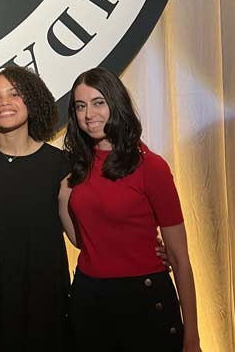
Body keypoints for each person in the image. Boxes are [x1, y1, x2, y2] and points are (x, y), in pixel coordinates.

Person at [62, 67, 202, 352]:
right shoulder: (74, 171)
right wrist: (63, 195)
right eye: (81, 106)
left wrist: (193, 337)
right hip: (89, 298)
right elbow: (83, 241)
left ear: (116, 104)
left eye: (99, 102)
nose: (89, 114)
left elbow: (179, 257)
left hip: (145, 299)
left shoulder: (151, 167)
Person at [0, 66, 72, 351]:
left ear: (33, 101)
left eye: (15, 94)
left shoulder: (60, 164)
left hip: (43, 297)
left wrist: (141, 244)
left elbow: (79, 235)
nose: (4, 102)